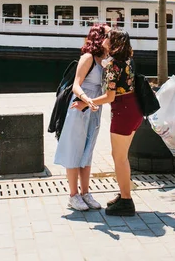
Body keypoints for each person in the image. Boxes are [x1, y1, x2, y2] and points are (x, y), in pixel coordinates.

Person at [73, 28, 142, 216]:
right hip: (134, 109)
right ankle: (124, 194)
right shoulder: (128, 60)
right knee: (121, 156)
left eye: (109, 37)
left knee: (119, 158)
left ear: (114, 43)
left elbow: (110, 96)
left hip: (123, 111)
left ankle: (126, 201)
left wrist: (86, 103)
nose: (105, 38)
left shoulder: (113, 65)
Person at [54, 23, 109, 211]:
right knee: (74, 151)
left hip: (94, 109)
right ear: (100, 38)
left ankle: (86, 193)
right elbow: (77, 85)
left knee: (87, 151)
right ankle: (73, 195)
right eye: (109, 34)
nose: (112, 38)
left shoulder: (107, 59)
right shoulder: (88, 58)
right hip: (79, 107)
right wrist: (87, 99)